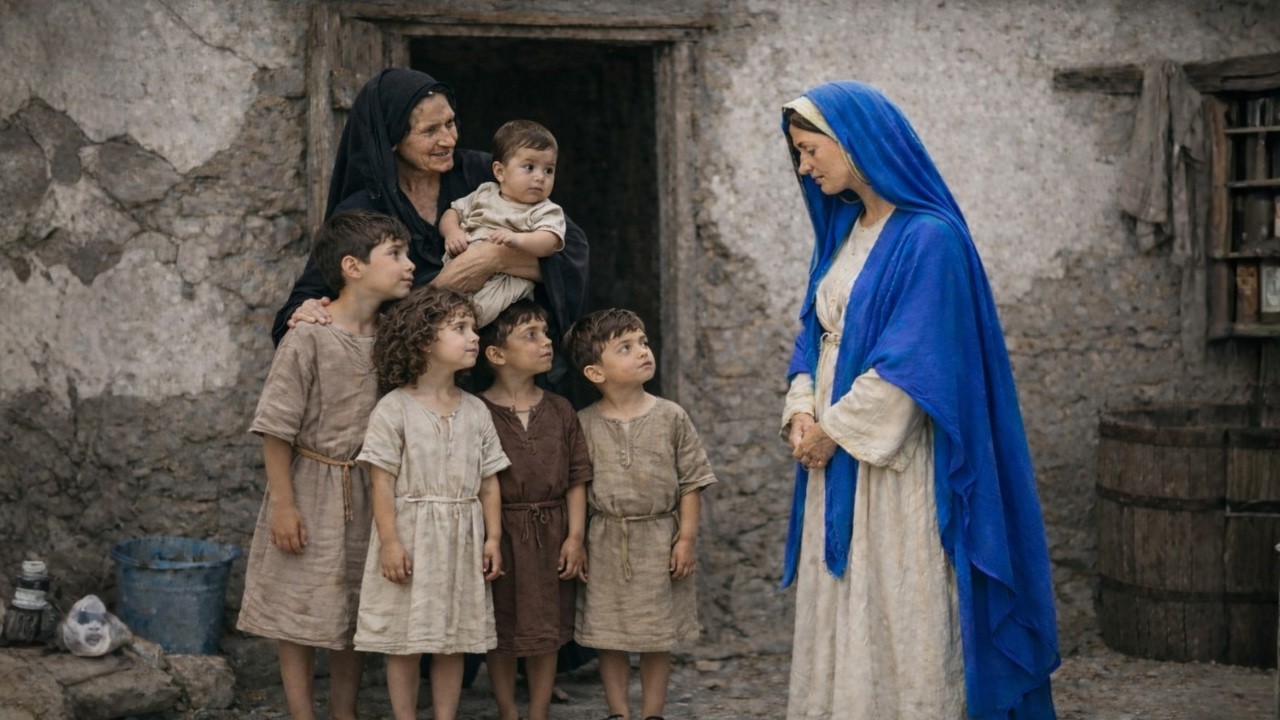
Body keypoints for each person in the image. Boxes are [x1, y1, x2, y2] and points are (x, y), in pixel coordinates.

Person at [778, 80, 1060, 719]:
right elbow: (814, 332)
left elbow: (915, 362)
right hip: (835, 449)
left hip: (895, 465)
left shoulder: (931, 239)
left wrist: (833, 430)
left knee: (899, 595)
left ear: (854, 140)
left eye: (809, 149)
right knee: (846, 604)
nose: (803, 166)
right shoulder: (846, 230)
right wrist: (800, 409)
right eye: (798, 153)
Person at [273, 68, 589, 392]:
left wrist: (494, 258)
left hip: (500, 375)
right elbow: (308, 300)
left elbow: (570, 246)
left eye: (450, 123)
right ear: (393, 138)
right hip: (417, 385)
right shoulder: (362, 210)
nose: (449, 139)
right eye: (430, 130)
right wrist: (306, 311)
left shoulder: (483, 174)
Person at [239, 210, 416, 720]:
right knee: (300, 607)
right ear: (352, 267)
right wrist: (284, 507)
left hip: (369, 490)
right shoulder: (308, 336)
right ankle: (302, 713)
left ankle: (345, 712)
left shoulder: (392, 338)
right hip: (309, 488)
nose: (409, 266)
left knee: (353, 608)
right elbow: (276, 428)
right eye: (396, 255)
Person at [353, 286, 509, 720]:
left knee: (452, 638)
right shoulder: (394, 408)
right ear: (423, 340)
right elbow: (380, 482)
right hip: (412, 537)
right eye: (459, 328)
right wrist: (390, 543)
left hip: (461, 540)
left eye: (474, 328)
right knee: (405, 639)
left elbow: (489, 483)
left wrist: (492, 538)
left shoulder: (477, 411)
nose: (474, 337)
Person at [561, 308, 717, 720]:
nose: (642, 352)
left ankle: (652, 713)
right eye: (625, 348)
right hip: (605, 540)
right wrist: (577, 541)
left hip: (658, 540)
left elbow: (692, 481)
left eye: (643, 343)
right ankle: (618, 712)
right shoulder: (584, 424)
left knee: (656, 636)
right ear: (596, 373)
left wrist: (685, 540)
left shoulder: (671, 417)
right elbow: (576, 485)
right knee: (608, 635)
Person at [477, 299, 592, 720]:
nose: (546, 343)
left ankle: (539, 711)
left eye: (545, 334)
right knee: (501, 627)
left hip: (552, 533)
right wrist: (489, 538)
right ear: (496, 354)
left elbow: (577, 477)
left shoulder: (560, 409)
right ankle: (508, 710)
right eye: (531, 336)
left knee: (547, 628)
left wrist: (575, 538)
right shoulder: (477, 411)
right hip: (500, 534)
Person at [440, 120, 566, 328]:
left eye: (548, 170)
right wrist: (452, 232)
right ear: (500, 172)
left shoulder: (545, 209)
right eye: (529, 167)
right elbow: (451, 212)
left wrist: (518, 239)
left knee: (469, 315)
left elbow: (549, 241)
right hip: (459, 264)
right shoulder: (484, 192)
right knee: (444, 304)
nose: (540, 177)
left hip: (504, 283)